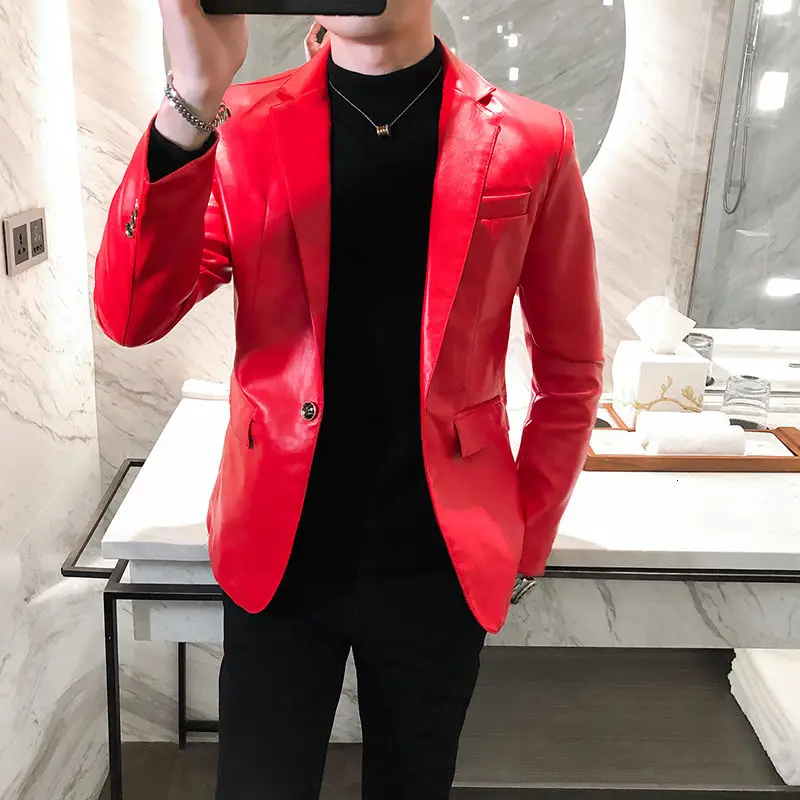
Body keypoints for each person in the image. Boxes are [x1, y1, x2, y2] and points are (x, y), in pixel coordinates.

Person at [94, 0, 604, 796]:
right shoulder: (244, 126)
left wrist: (523, 541)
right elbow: (132, 316)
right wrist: (191, 97)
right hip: (279, 552)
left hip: (440, 560)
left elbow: (570, 373)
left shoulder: (534, 140)